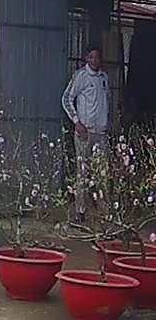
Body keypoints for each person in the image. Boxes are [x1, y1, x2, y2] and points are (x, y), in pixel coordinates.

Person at [62, 45, 111, 219]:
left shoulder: (104, 77)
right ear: (86, 58)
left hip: (101, 132)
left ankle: (104, 211)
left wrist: (109, 122)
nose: (94, 60)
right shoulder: (81, 76)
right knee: (82, 171)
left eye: (97, 57)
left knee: (102, 173)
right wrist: (77, 122)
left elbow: (108, 102)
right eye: (91, 57)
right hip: (85, 132)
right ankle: (80, 210)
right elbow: (67, 98)